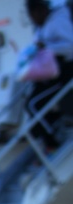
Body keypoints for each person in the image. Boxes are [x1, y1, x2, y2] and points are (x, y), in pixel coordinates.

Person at [25, 0, 73, 151]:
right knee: (33, 102)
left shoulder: (57, 21)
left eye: (33, 15)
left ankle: (52, 144)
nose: (33, 20)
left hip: (66, 73)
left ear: (40, 10)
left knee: (33, 104)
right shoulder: (42, 27)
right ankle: (49, 135)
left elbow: (70, 47)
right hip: (52, 74)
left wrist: (47, 48)